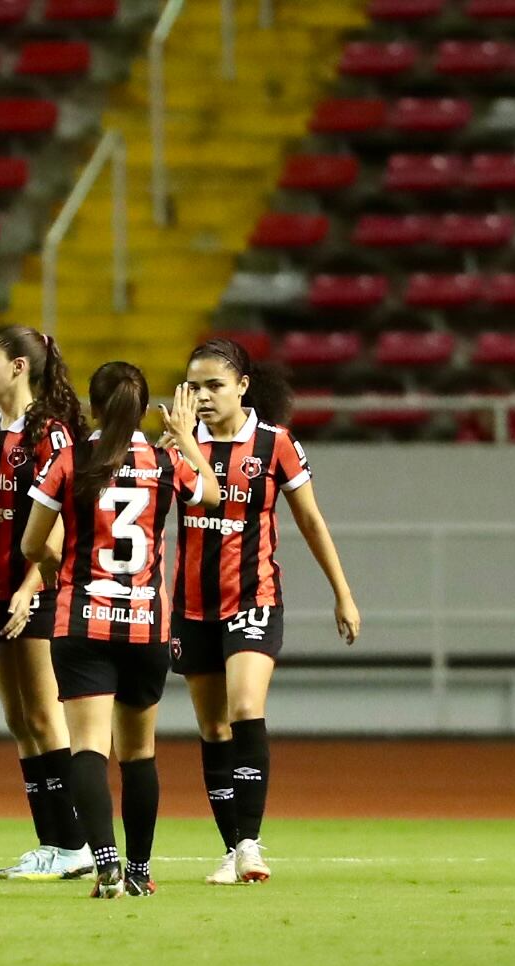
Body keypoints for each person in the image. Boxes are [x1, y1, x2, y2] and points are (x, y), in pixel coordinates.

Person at [22, 362, 220, 898]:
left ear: (92, 406)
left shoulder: (70, 459)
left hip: (83, 619)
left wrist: (54, 568)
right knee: (139, 753)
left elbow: (31, 542)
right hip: (145, 625)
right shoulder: (162, 462)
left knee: (87, 747)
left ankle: (104, 859)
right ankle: (137, 871)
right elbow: (213, 494)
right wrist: (186, 440)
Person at [172, 338, 360, 885]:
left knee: (245, 705)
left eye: (215, 386)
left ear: (242, 387)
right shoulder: (178, 445)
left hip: (254, 597)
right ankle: (231, 847)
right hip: (192, 606)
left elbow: (310, 520)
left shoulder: (275, 444)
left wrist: (342, 593)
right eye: (195, 387)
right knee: (211, 727)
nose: (203, 396)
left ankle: (250, 845)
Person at [0, 325, 93, 881]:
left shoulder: (53, 436)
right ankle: (52, 843)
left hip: (38, 590)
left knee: (46, 715)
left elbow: (63, 527)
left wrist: (28, 587)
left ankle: (76, 843)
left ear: (19, 366)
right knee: (20, 720)